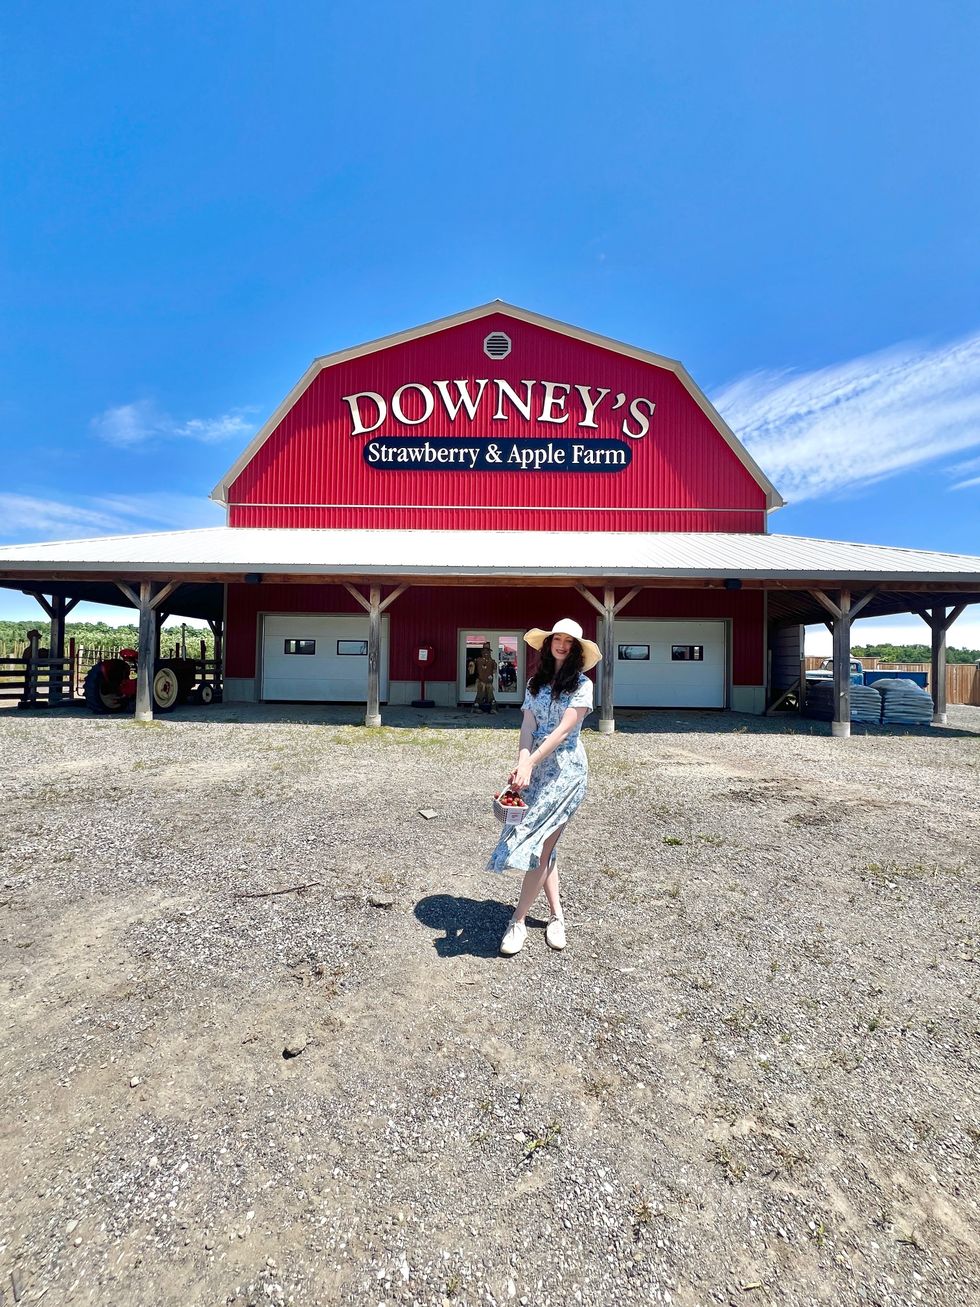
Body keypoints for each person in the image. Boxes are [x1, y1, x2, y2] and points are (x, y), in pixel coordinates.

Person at [487, 618, 601, 956]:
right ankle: (556, 916)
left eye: (569, 642)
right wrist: (523, 762)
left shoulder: (583, 685)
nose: (562, 645)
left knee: (540, 844)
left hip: (566, 773)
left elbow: (563, 732)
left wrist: (530, 762)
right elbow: (528, 724)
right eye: (558, 639)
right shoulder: (536, 683)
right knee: (546, 848)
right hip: (536, 769)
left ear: (577, 649)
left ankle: (518, 921)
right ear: (549, 644)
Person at [471, 641, 498, 714]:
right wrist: (472, 665)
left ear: (489, 652)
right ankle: (476, 707)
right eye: (484, 651)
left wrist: (493, 673)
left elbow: (494, 670)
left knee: (490, 695)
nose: (486, 653)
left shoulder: (492, 661)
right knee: (480, 694)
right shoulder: (478, 660)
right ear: (482, 652)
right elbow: (472, 667)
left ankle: (493, 708)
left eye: (487, 651)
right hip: (481, 681)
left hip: (488, 682)